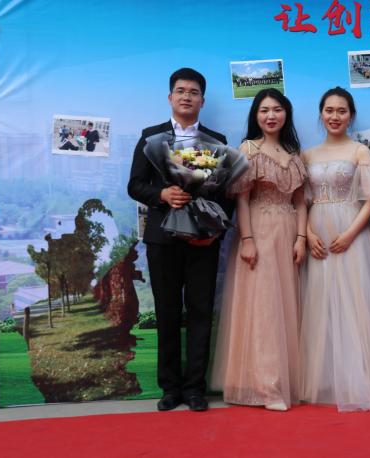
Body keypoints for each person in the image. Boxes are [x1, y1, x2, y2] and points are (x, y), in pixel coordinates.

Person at [127, 67, 232, 412]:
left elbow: (226, 195)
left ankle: (195, 388)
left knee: (201, 312)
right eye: (181, 91)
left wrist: (214, 231)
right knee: (167, 312)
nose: (187, 96)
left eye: (194, 92)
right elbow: (135, 186)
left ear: (203, 100)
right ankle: (170, 388)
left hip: (203, 241)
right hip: (163, 239)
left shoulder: (218, 140)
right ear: (170, 97)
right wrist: (162, 194)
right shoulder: (150, 137)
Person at [300, 87, 370, 412]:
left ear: (351, 116)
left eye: (342, 111)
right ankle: (327, 381)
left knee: (356, 305)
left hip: (353, 235)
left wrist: (349, 235)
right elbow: (301, 202)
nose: (335, 116)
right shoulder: (307, 155)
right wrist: (307, 235)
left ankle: (359, 380)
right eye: (329, 110)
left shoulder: (360, 151)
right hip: (318, 237)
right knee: (322, 304)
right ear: (321, 114)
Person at [212, 89, 308, 411]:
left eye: (277, 109)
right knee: (264, 308)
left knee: (285, 307)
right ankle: (268, 388)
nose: (271, 116)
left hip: (288, 234)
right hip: (260, 232)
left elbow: (300, 202)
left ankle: (286, 381)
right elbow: (241, 199)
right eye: (264, 110)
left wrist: (301, 238)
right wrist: (248, 239)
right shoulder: (248, 150)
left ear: (286, 114)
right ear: (255, 115)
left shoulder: (293, 152)